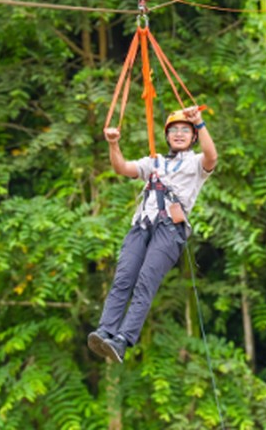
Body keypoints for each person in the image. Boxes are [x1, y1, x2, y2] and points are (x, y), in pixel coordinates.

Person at [87, 106, 218, 363]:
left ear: (192, 137)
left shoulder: (195, 163)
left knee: (146, 281)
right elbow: (122, 168)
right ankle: (106, 330)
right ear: (167, 136)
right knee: (124, 277)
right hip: (142, 226)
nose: (179, 134)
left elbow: (211, 158)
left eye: (185, 130)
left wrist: (200, 124)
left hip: (169, 230)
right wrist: (113, 144)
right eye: (174, 130)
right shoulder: (154, 162)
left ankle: (123, 340)